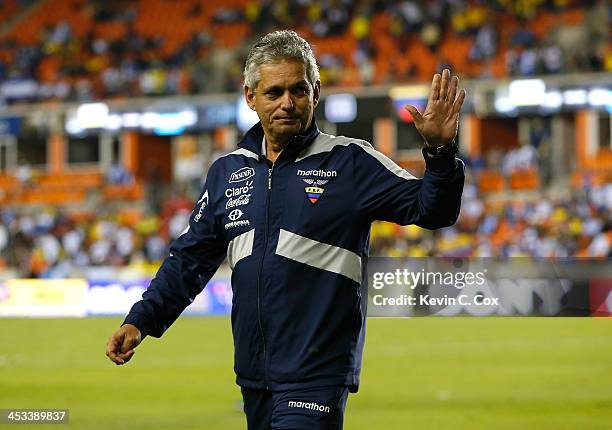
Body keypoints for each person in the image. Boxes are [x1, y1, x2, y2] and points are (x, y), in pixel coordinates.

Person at [106, 30, 466, 429]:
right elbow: (189, 260)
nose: (287, 104)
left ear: (315, 91)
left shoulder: (350, 162)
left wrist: (439, 154)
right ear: (250, 96)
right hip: (254, 376)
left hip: (317, 375)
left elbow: (433, 210)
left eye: (298, 90)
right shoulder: (228, 172)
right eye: (274, 92)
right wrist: (141, 320)